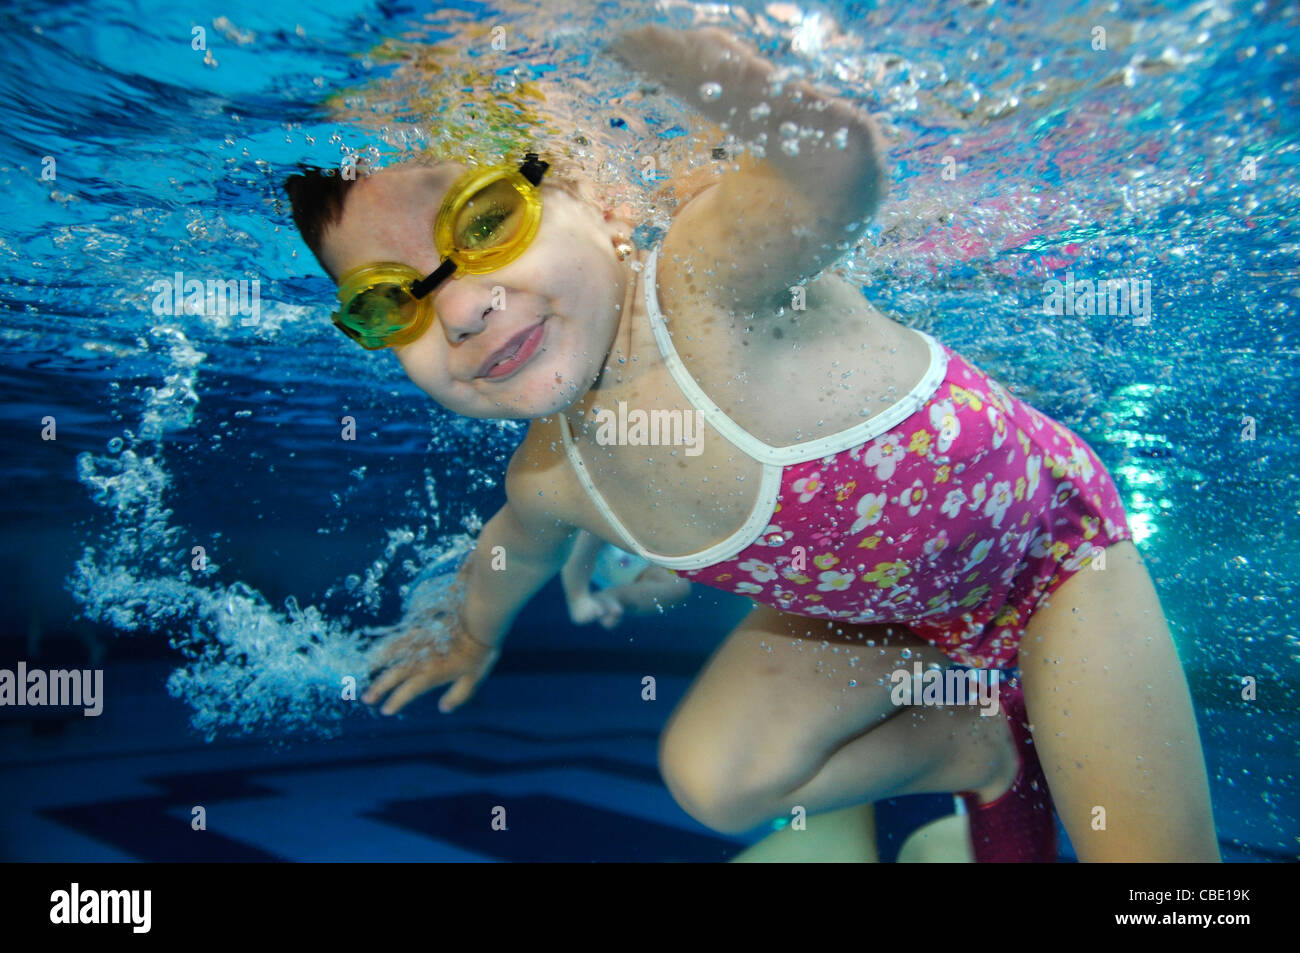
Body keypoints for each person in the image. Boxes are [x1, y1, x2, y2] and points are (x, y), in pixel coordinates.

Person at [285, 25, 1219, 861]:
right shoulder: (553, 475)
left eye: (487, 222)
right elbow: (511, 549)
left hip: (1047, 562)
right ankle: (974, 742)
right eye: (389, 299)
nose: (457, 307)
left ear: (600, 203)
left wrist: (674, 56)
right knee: (711, 775)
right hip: (883, 624)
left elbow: (835, 175)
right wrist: (471, 637)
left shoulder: (704, 279)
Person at [561, 530, 691, 628]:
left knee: (677, 586)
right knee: (588, 526)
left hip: (646, 553)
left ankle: (614, 598)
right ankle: (577, 595)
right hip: (598, 541)